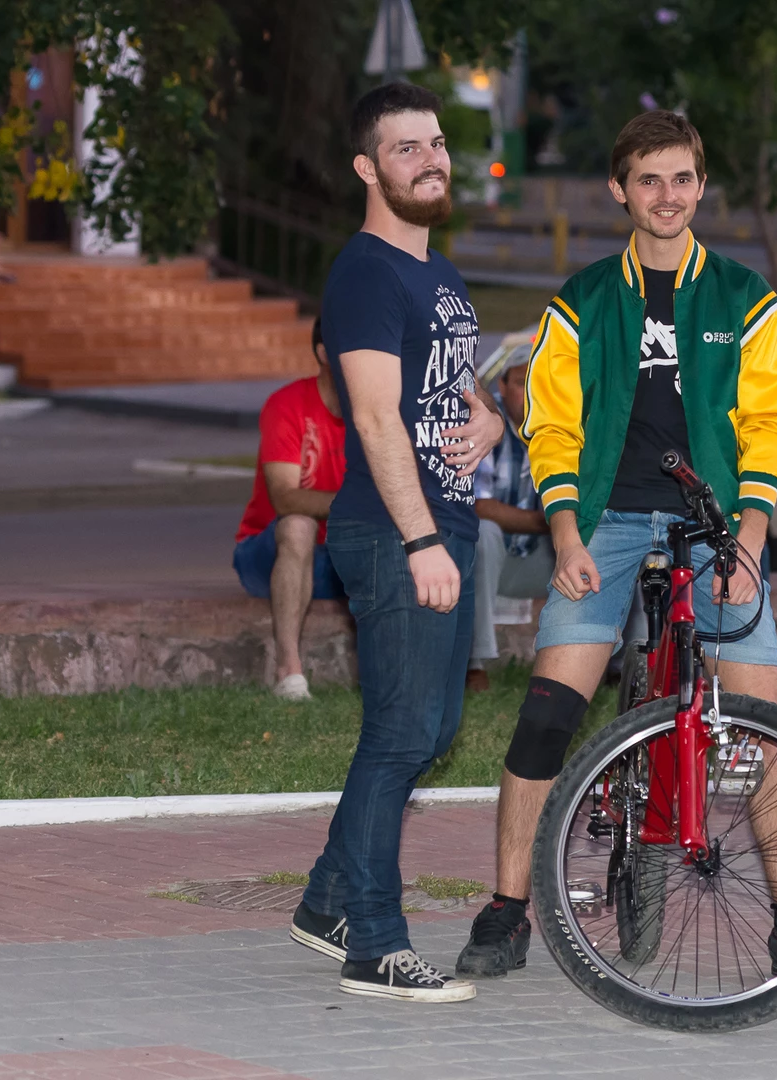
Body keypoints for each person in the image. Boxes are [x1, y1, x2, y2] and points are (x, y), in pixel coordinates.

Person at [454, 110, 777, 979]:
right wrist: (565, 533)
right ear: (619, 189)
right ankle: (506, 911)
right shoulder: (581, 300)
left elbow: (768, 424)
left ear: (701, 185)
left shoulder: (744, 297)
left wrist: (749, 537)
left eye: (682, 178)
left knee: (768, 725)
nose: (667, 195)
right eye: (649, 180)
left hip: (715, 525)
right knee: (546, 715)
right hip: (607, 522)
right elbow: (552, 428)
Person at [286, 83, 505, 1003]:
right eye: (406, 148)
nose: (431, 160)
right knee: (401, 733)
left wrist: (491, 419)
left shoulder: (440, 275)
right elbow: (376, 419)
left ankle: (326, 901)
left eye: (437, 143)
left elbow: (453, 388)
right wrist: (420, 540)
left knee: (433, 729)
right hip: (392, 529)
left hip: (446, 519)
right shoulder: (367, 273)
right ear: (367, 168)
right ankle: (374, 942)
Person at [231, 317, 346, 701]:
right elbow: (284, 498)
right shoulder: (288, 404)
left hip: (342, 556)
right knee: (299, 524)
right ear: (324, 353)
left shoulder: (376, 414)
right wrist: (360, 504)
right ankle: (289, 672)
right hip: (269, 554)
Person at [466, 352, 553, 693]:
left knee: (609, 535)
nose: (531, 391)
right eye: (520, 382)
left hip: (546, 558)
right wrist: (547, 520)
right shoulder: (484, 423)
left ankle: (615, 662)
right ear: (501, 387)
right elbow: (479, 506)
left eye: (539, 381)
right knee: (482, 532)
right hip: (495, 559)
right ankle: (474, 663)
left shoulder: (563, 422)